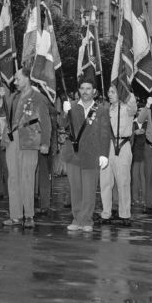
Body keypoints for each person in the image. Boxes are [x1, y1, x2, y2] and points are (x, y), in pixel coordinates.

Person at [0, 67, 52, 229]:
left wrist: (45, 143)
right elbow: (4, 115)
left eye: (18, 78)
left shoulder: (38, 98)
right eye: (15, 79)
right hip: (12, 140)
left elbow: (46, 122)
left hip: (29, 140)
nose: (15, 82)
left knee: (27, 178)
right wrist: (2, 100)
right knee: (13, 179)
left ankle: (29, 215)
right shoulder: (13, 97)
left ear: (28, 78)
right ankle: (15, 216)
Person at [61, 78, 110, 232]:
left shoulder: (101, 109)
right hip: (74, 154)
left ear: (94, 91)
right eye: (82, 88)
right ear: (78, 91)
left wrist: (104, 154)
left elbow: (105, 133)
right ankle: (76, 218)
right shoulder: (73, 107)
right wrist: (64, 113)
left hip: (92, 154)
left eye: (88, 88)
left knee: (89, 190)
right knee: (75, 189)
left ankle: (87, 220)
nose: (85, 91)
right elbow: (63, 125)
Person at [99, 86, 137, 226]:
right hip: (106, 145)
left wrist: (126, 90)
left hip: (122, 145)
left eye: (113, 91)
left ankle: (125, 214)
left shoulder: (127, 107)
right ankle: (106, 213)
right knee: (105, 182)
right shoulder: (105, 109)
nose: (109, 94)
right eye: (108, 91)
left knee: (123, 182)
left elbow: (133, 105)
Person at [131, 106, 147, 208]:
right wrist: (134, 132)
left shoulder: (148, 123)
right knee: (134, 177)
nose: (141, 112)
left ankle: (145, 199)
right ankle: (134, 198)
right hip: (135, 152)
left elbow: (143, 132)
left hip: (146, 152)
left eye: (143, 111)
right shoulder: (132, 123)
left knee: (144, 177)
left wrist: (139, 132)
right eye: (140, 111)